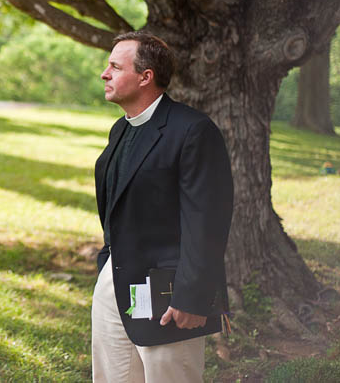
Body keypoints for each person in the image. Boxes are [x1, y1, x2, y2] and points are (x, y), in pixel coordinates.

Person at [91, 31, 234, 382]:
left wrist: (192, 296)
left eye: (114, 66)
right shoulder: (120, 130)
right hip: (114, 281)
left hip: (169, 294)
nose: (104, 74)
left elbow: (207, 222)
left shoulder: (193, 131)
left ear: (145, 76)